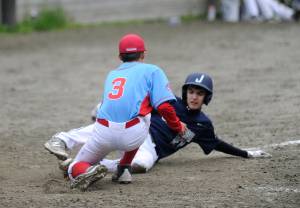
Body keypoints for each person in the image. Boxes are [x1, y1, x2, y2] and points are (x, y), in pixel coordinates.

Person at [45, 72, 271, 177]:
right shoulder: (170, 102)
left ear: (206, 98)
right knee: (110, 127)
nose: (194, 96)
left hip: (149, 148)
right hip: (138, 130)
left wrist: (245, 154)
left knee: (142, 166)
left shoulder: (203, 125)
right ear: (185, 92)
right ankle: (63, 139)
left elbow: (217, 144)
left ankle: (90, 166)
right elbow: (139, 100)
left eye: (199, 93)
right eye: (191, 91)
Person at [45, 33, 186, 191]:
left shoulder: (112, 74)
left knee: (73, 168)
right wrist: (178, 127)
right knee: (144, 114)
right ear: (143, 54)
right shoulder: (153, 70)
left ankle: (86, 170)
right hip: (134, 135)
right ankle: (124, 169)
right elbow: (164, 107)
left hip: (103, 132)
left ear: (120, 56)